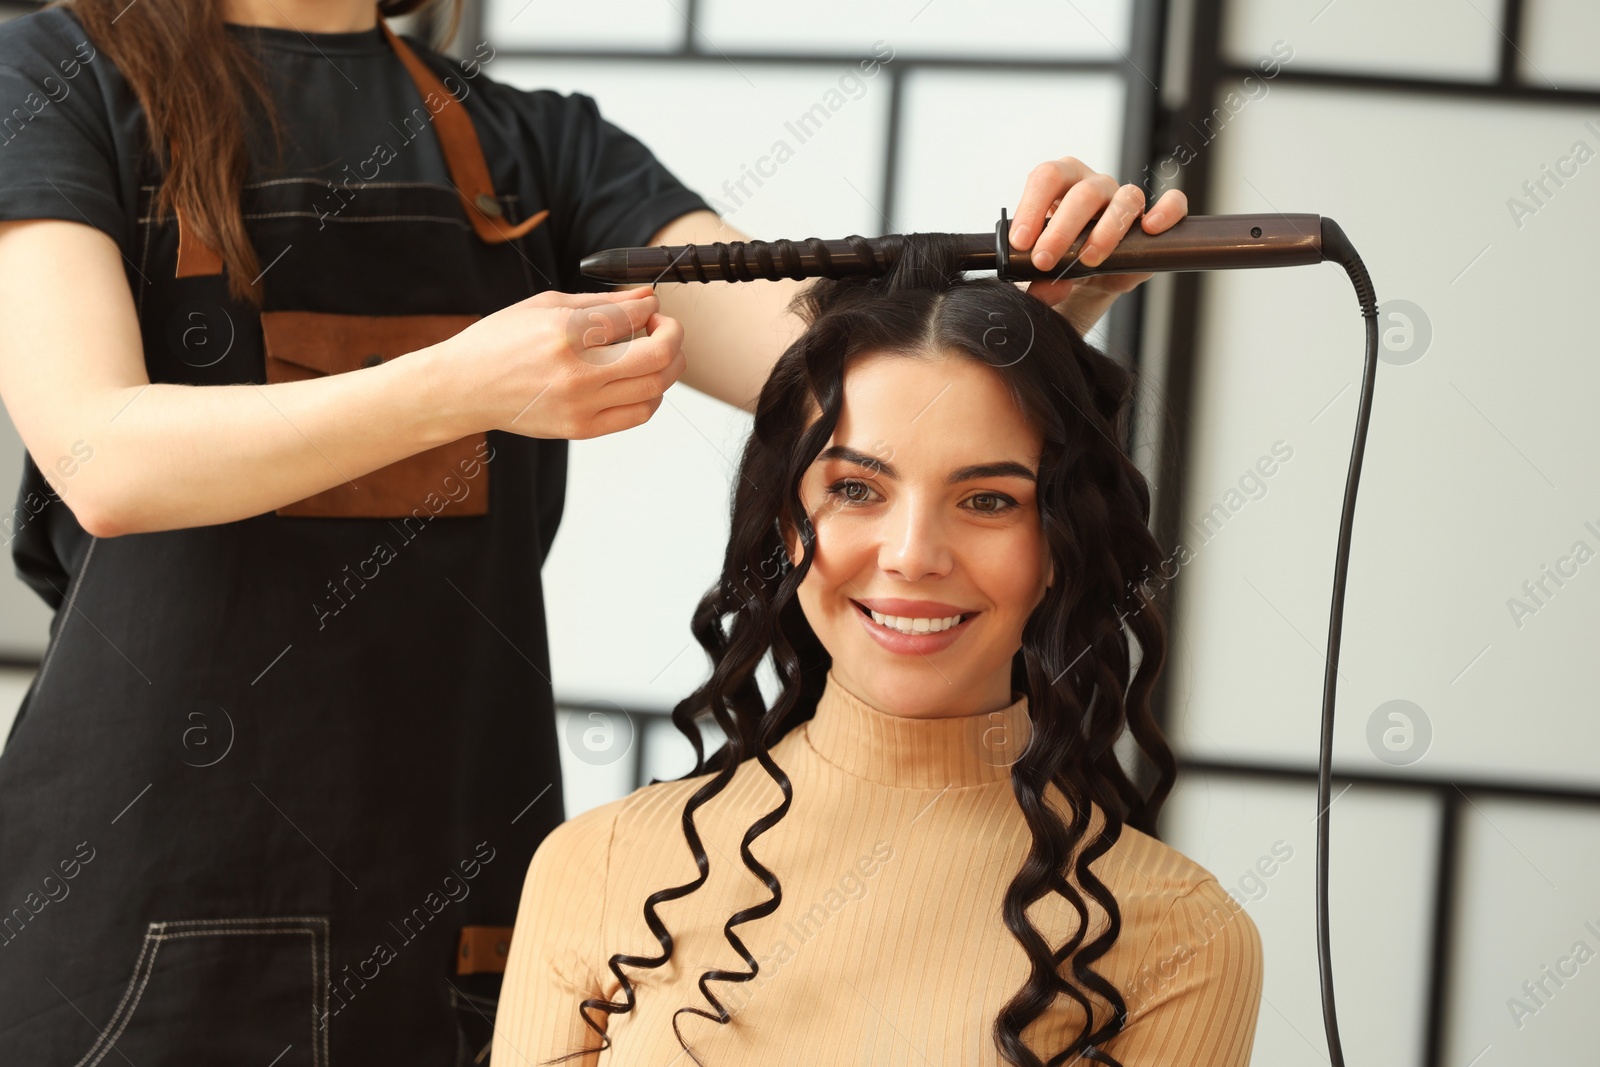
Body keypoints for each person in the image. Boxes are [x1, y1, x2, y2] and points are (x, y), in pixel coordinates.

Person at [0, 0, 1188, 1061]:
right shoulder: (55, 72)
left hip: (463, 893)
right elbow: (102, 458)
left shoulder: (536, 147)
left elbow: (829, 383)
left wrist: (1032, 316)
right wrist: (458, 385)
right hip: (132, 891)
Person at [496, 233, 1262, 1067]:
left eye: (988, 499)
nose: (911, 554)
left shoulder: (1181, 933)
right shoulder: (602, 864)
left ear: (1059, 545)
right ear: (789, 526)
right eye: (856, 488)